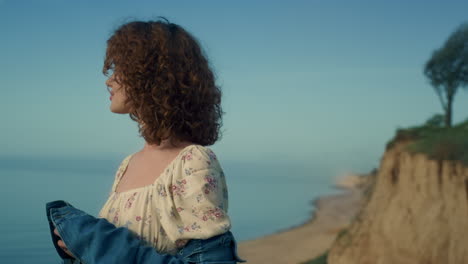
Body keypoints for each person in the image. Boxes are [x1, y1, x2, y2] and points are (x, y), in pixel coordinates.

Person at [49, 17, 246, 263]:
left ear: (152, 75)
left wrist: (98, 242)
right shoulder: (127, 164)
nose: (108, 80)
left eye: (119, 68)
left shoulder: (191, 162)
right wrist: (81, 248)